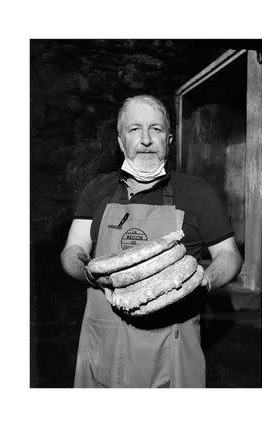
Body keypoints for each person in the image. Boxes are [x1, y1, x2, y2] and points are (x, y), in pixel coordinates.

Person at [60, 95, 242, 388]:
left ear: (168, 139)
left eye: (155, 129)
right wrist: (90, 273)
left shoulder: (198, 193)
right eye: (134, 129)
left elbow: (229, 256)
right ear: (121, 141)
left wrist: (203, 283)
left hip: (170, 349)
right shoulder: (97, 190)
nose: (145, 139)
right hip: (102, 344)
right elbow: (73, 249)